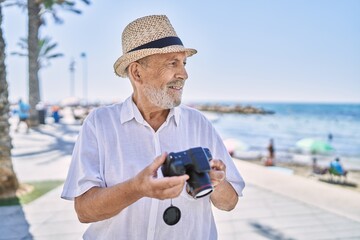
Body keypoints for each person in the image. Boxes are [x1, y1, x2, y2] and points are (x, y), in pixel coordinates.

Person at [61, 15, 245, 240]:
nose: (184, 75)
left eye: (184, 63)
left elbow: (230, 203)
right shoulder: (100, 124)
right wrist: (136, 189)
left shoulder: (198, 124)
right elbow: (84, 211)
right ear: (137, 72)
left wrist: (217, 183)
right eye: (172, 63)